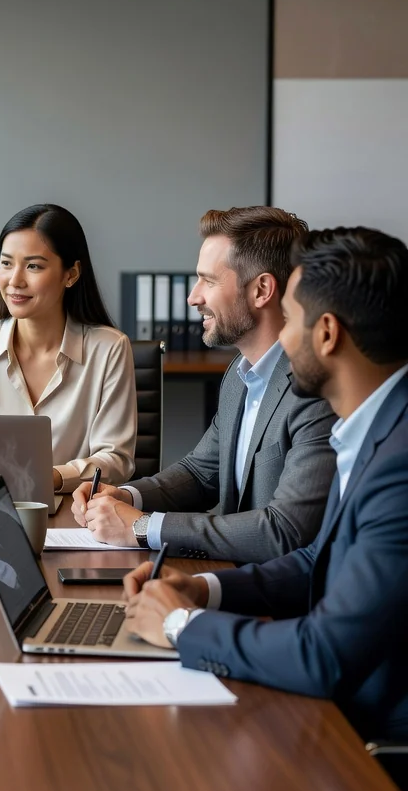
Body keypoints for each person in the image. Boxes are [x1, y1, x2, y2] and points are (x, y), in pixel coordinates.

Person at [122, 227, 408, 791]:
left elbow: (324, 653)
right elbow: (315, 562)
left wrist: (180, 624)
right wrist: (206, 588)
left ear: (328, 334)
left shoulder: (398, 460)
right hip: (335, 709)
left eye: (294, 320)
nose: (280, 337)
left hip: (364, 749)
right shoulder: (378, 428)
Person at [72, 206, 337, 563]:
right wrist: (125, 498)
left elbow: (284, 531)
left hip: (277, 600)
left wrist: (143, 526)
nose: (193, 297)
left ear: (261, 290)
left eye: (208, 281)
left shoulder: (314, 391)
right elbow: (199, 473)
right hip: (233, 578)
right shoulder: (239, 375)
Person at [0, 203, 137, 496]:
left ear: (71, 274)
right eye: (6, 263)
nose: (15, 281)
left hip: (74, 513)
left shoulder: (109, 349)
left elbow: (115, 460)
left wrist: (52, 477)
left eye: (33, 266)